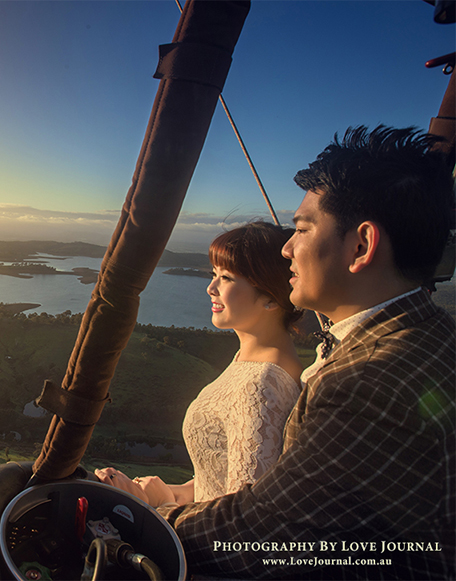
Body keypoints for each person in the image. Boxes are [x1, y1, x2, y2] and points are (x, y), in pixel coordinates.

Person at [99, 126, 455, 579]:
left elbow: (261, 535)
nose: (287, 247)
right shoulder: (426, 334)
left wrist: (138, 520)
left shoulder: (371, 378)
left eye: (303, 228)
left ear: (361, 245)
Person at [98, 222, 304, 507]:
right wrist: (155, 494)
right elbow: (215, 483)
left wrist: (159, 507)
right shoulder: (254, 364)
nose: (210, 288)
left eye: (227, 278)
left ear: (270, 296)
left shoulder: (260, 385)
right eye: (214, 275)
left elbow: (244, 520)